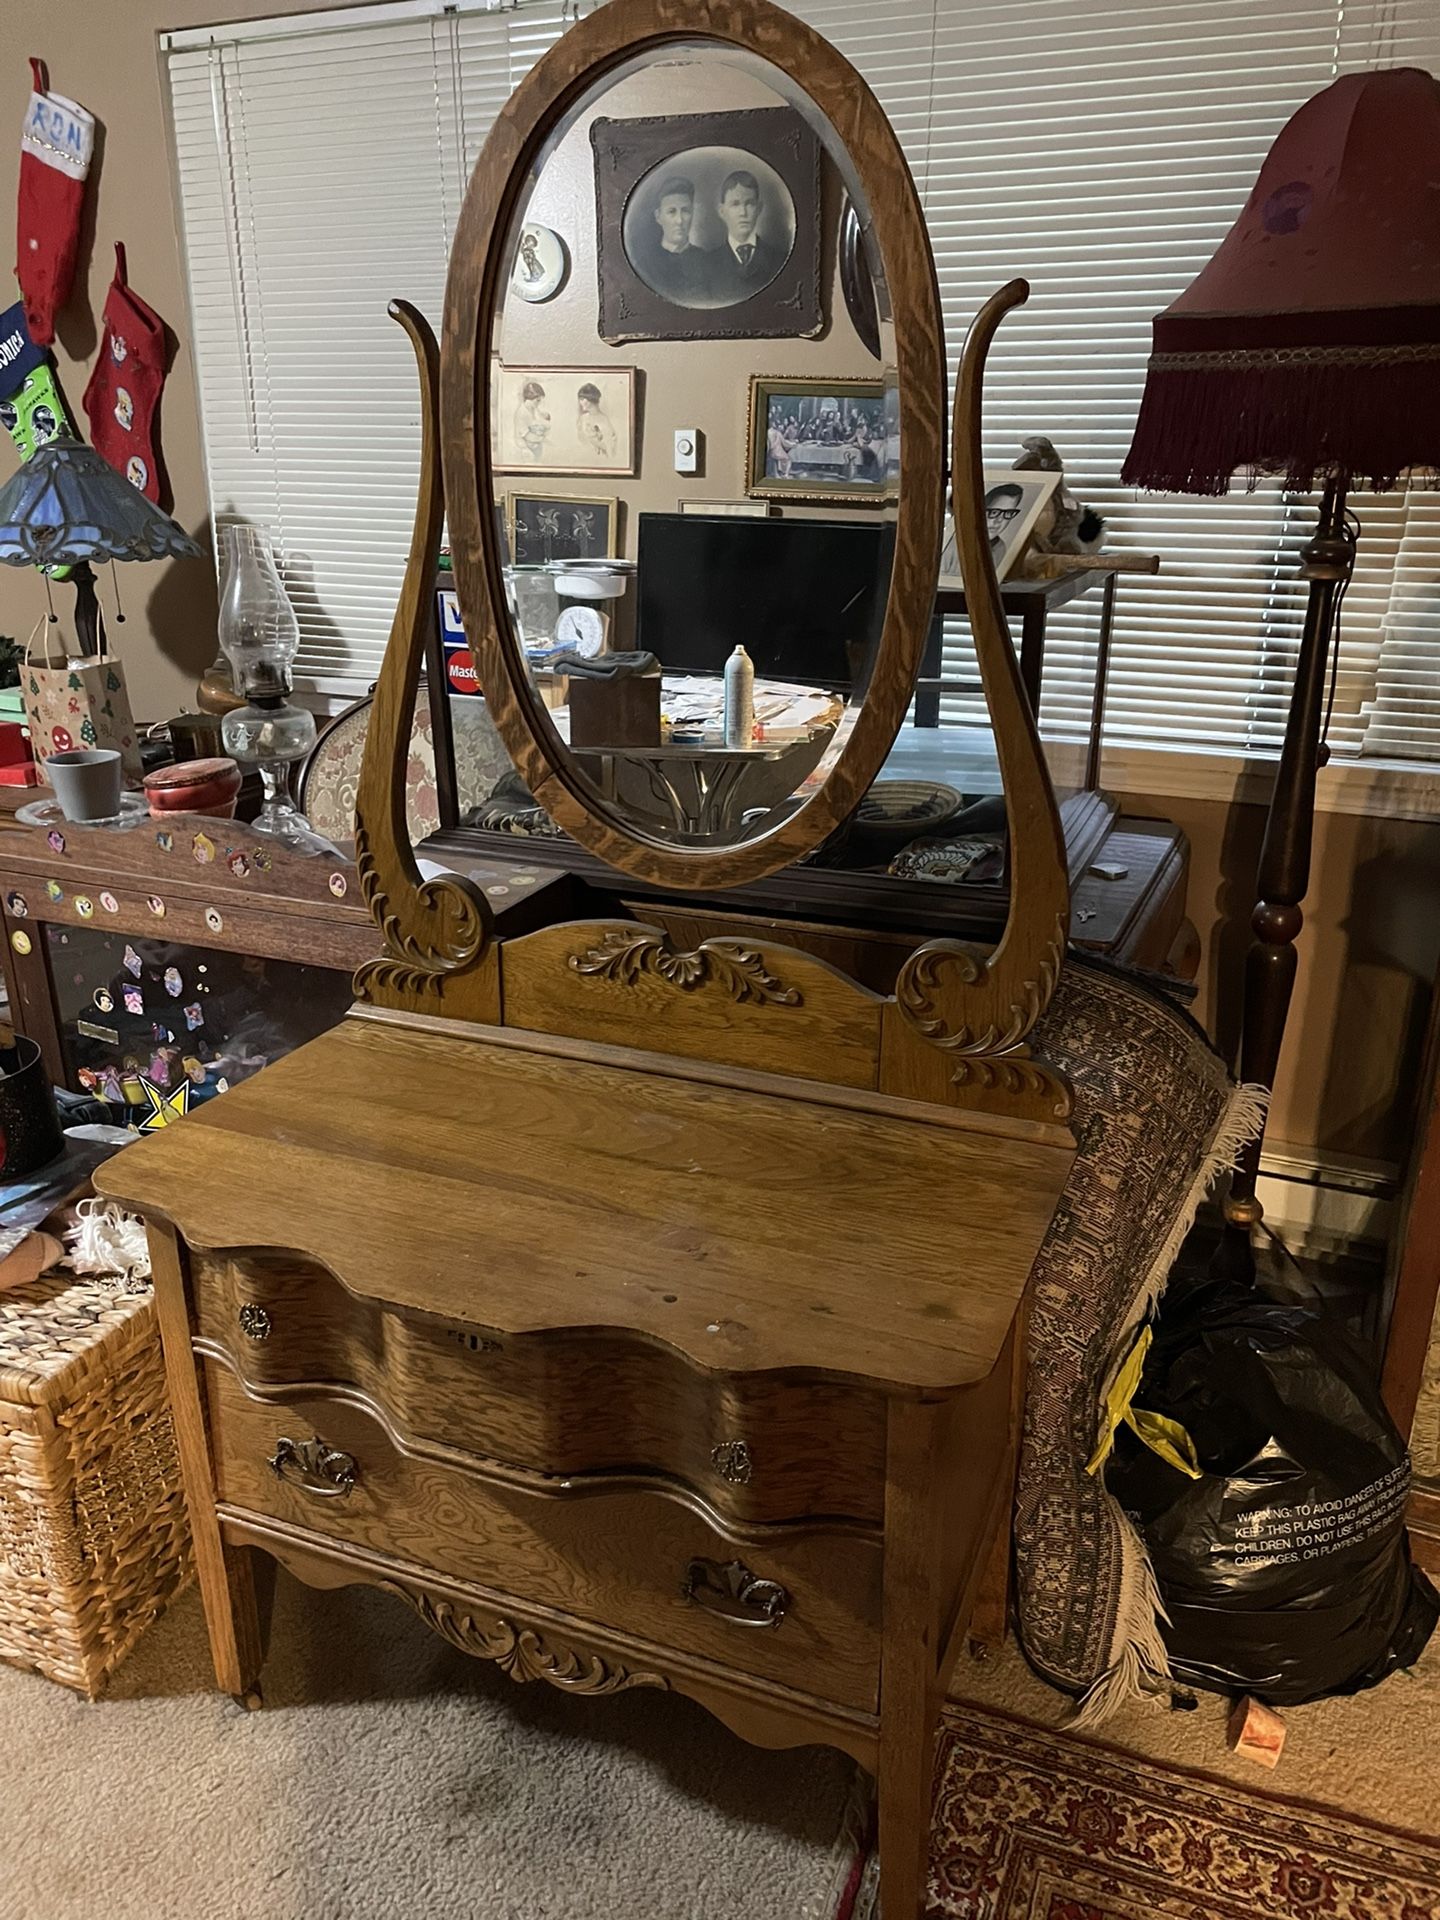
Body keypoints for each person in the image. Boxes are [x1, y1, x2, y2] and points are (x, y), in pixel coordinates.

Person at [704, 169, 786, 301]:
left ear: (759, 208)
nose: (743, 212)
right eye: (735, 204)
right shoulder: (707, 264)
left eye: (750, 204)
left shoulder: (779, 259)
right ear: (722, 211)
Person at [640, 175, 708, 304]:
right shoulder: (646, 263)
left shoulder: (707, 261)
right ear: (658, 216)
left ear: (693, 213)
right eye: (672, 212)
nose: (680, 220)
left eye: (685, 211)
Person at [984, 481, 1024, 565]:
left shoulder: (1000, 548)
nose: (998, 520)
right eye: (994, 512)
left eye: (1008, 513)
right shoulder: (953, 545)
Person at [576, 382, 617, 462]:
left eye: (582, 399)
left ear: (590, 399)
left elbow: (609, 447)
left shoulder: (604, 420)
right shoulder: (583, 418)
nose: (580, 403)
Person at [513, 379, 551, 463]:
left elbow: (542, 421)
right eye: (538, 400)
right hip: (526, 448)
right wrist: (543, 439)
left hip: (536, 445)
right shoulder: (521, 412)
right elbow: (526, 435)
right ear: (529, 399)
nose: (539, 403)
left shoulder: (534, 409)